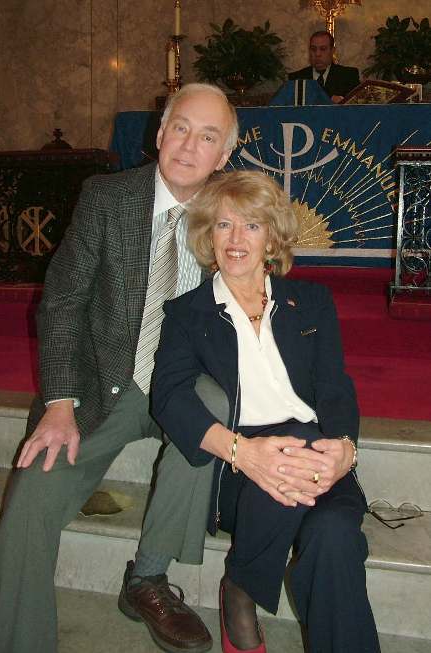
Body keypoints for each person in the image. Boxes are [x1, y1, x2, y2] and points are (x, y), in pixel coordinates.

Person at [0, 83, 238, 653]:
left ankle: (147, 578)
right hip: (103, 381)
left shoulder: (235, 211)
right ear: (159, 133)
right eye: (180, 128)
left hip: (183, 384)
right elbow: (63, 302)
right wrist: (59, 403)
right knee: (30, 497)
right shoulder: (107, 198)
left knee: (214, 405)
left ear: (223, 155)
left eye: (207, 137)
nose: (189, 145)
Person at [151, 170, 381, 653]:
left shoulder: (312, 302)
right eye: (224, 225)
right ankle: (246, 584)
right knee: (302, 480)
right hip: (240, 465)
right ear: (208, 236)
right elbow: (169, 396)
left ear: (272, 239)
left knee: (335, 535)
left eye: (251, 226)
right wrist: (242, 451)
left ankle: (241, 582)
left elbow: (334, 386)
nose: (236, 239)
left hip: (317, 454)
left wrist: (345, 449)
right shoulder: (187, 313)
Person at [289, 31, 360, 103]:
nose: (317, 54)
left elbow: (356, 106)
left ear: (332, 51)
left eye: (323, 49)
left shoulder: (348, 76)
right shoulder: (296, 79)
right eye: (313, 49)